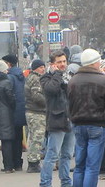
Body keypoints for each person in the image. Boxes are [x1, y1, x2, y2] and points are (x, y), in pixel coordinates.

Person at [68, 50, 105, 187]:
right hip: (97, 124)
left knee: (80, 164)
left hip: (78, 124)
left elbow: (69, 103)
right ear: (95, 62)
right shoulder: (103, 80)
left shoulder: (73, 80)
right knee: (92, 166)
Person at [39, 50, 75, 187]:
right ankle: (45, 183)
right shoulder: (46, 78)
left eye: (64, 61)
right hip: (56, 120)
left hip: (70, 119)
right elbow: (51, 90)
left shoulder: (69, 77)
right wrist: (57, 74)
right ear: (52, 64)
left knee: (67, 155)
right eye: (59, 62)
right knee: (52, 155)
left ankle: (66, 182)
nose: (62, 64)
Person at [2, 54, 26, 171]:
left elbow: (8, 94)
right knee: (18, 137)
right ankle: (18, 163)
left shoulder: (9, 77)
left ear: (8, 64)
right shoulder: (21, 75)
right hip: (21, 111)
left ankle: (11, 163)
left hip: (11, 111)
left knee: (11, 138)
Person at [24, 59, 46, 173]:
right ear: (35, 68)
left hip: (32, 111)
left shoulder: (31, 77)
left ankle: (33, 161)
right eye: (41, 67)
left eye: (43, 66)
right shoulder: (36, 78)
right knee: (37, 138)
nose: (43, 69)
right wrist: (48, 103)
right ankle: (33, 164)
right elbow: (37, 96)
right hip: (36, 112)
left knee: (33, 137)